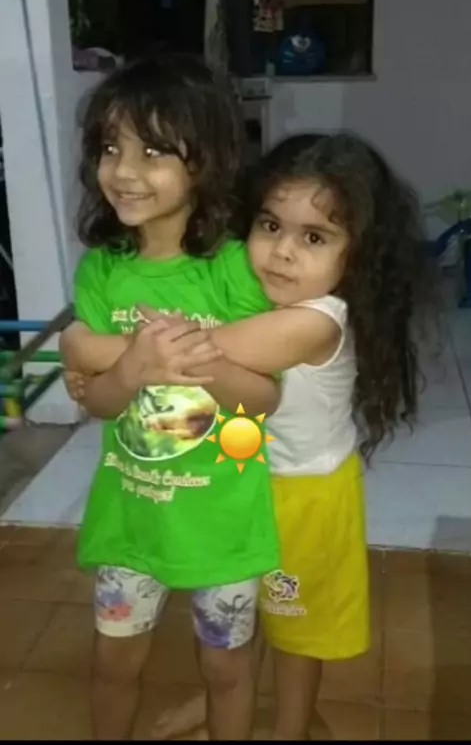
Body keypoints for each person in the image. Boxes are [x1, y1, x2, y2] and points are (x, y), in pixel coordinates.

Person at [63, 132, 435, 740]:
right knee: (244, 615)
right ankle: (217, 701)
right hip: (242, 484)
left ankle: (289, 728)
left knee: (295, 629)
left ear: (358, 254)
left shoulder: (315, 320)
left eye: (313, 238)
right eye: (270, 226)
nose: (282, 252)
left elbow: (192, 352)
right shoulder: (252, 292)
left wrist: (81, 345)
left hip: (302, 495)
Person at [60, 51, 284, 742]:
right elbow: (99, 402)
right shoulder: (103, 270)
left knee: (226, 668)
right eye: (110, 148)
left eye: (152, 151)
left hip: (224, 520)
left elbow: (263, 398)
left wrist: (185, 360)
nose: (124, 171)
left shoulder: (235, 267)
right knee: (112, 663)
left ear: (206, 159)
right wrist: (132, 368)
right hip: (132, 518)